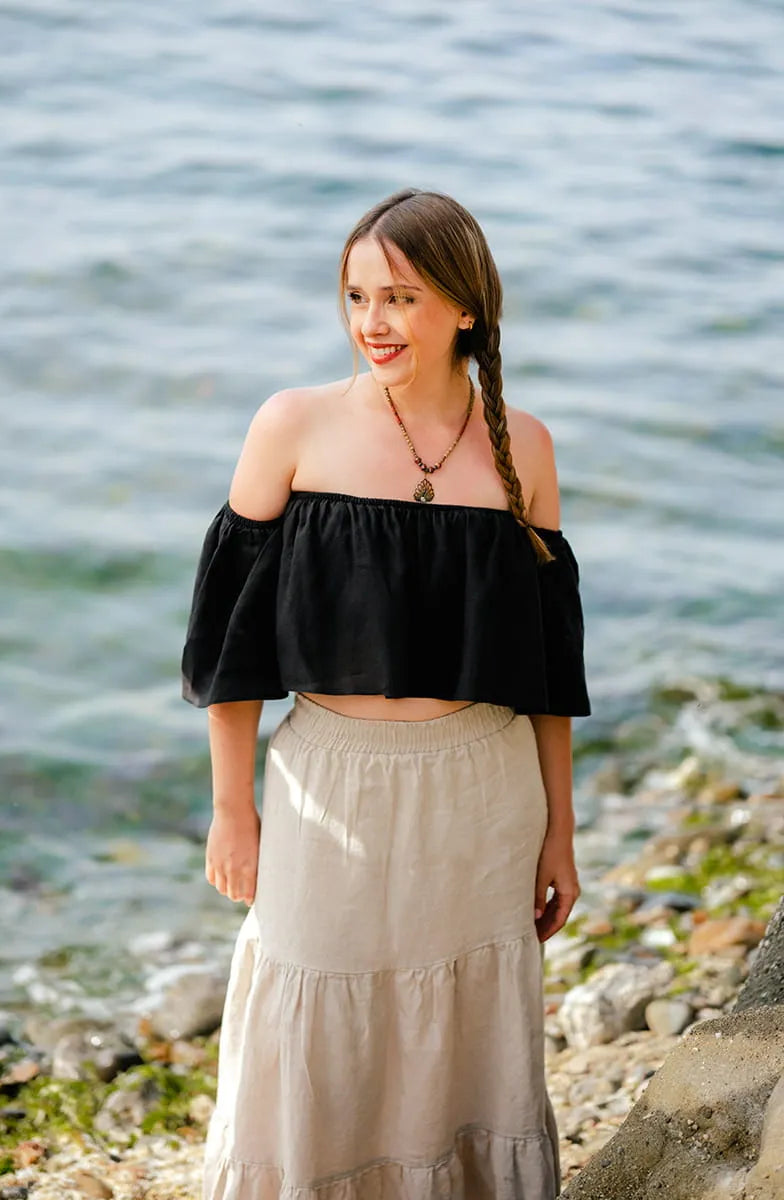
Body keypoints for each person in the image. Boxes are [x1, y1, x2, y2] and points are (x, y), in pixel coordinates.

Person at [181, 188, 591, 1200]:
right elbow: (226, 649)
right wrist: (233, 810)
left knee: (464, 1025)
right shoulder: (292, 426)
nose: (371, 320)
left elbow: (546, 673)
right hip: (330, 780)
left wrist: (559, 833)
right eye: (357, 295)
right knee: (310, 998)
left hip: (481, 788)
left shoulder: (521, 450)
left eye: (399, 297)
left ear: (463, 309)